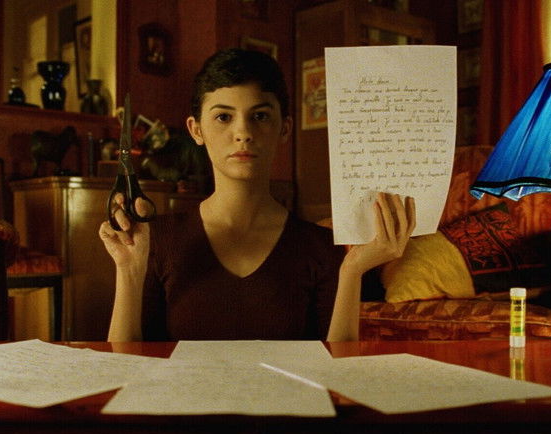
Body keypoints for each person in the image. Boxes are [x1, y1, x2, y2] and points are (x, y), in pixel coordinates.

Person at [99, 48, 415, 342]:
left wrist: (352, 271)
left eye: (260, 116)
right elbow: (127, 368)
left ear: (285, 128)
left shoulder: (322, 249)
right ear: (196, 130)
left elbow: (335, 372)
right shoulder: (155, 241)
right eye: (223, 117)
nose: (243, 132)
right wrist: (128, 270)